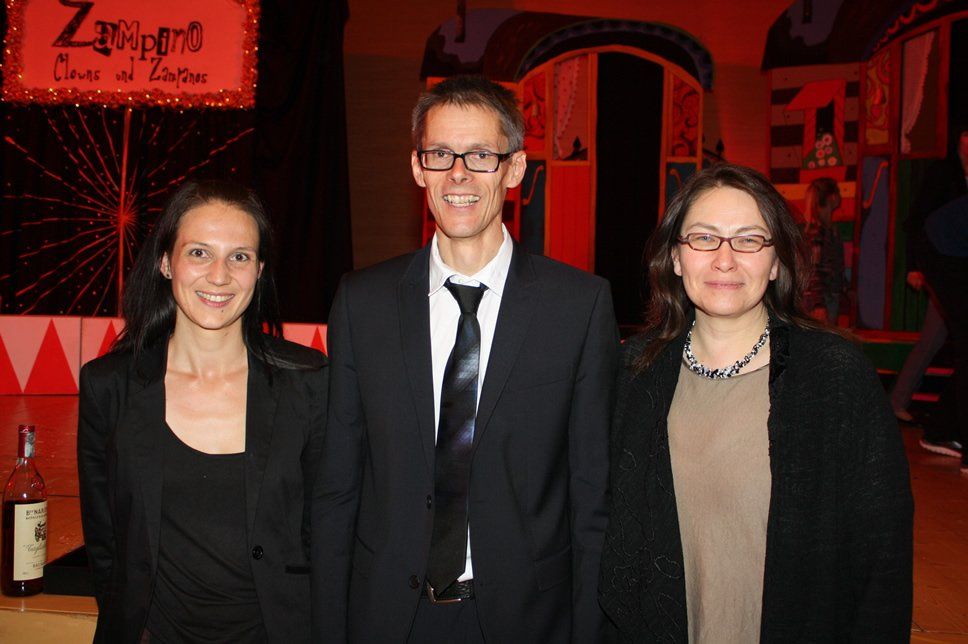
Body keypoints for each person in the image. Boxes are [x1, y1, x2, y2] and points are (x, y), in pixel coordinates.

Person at [313, 75, 618, 643]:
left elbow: (591, 495)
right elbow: (338, 486)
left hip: (527, 620)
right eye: (440, 154)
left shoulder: (579, 307)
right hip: (389, 618)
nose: (458, 173)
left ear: (514, 169)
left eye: (480, 155)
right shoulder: (362, 303)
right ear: (418, 168)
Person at [599, 164, 913, 642]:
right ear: (676, 257)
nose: (724, 260)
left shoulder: (833, 376)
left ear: (777, 261)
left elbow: (882, 554)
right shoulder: (636, 372)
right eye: (704, 238)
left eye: (748, 240)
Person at [77, 181, 328, 643]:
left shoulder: (311, 383)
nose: (219, 276)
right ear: (165, 262)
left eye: (239, 257)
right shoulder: (108, 387)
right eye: (198, 253)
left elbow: (325, 534)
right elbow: (105, 543)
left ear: (259, 271)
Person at [902, 123, 967, 459]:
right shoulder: (943, 174)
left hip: (953, 255)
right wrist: (914, 266)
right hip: (939, 253)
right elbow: (916, 221)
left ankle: (942, 428)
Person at [801, 177, 844, 325]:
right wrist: (818, 303)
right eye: (838, 192)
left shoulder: (828, 230)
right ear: (832, 197)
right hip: (821, 298)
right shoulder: (817, 231)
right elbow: (814, 269)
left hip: (826, 296)